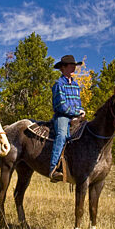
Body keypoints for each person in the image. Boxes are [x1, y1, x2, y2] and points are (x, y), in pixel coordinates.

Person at [49, 54, 86, 182]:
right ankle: (53, 169)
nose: (74, 68)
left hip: (76, 115)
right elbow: (61, 106)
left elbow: (78, 102)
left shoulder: (76, 85)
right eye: (71, 65)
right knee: (62, 135)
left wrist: (81, 112)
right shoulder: (58, 84)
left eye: (74, 66)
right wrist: (76, 111)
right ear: (63, 68)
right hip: (62, 116)